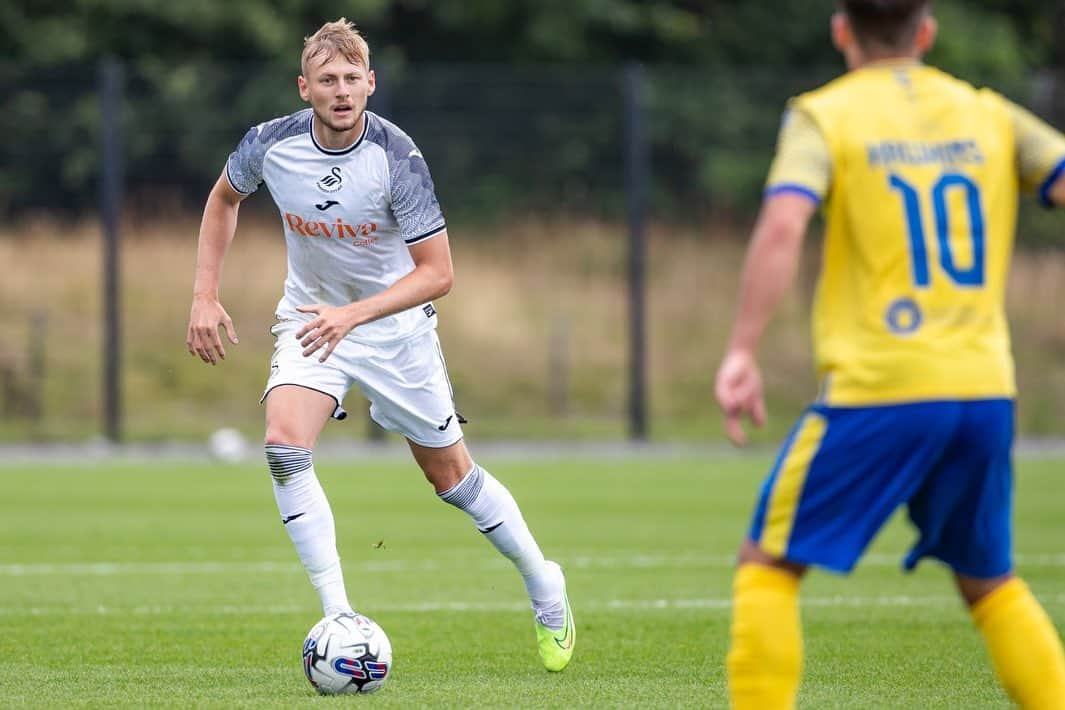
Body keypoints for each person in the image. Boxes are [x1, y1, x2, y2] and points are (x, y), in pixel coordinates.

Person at [185, 18, 574, 672]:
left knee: (450, 478)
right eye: (327, 80)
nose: (341, 91)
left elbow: (439, 274)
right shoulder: (269, 144)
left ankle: (543, 581)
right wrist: (203, 293)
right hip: (312, 320)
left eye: (351, 79)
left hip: (395, 331)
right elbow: (224, 197)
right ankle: (338, 613)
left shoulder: (397, 158)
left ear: (371, 83)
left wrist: (354, 314)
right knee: (283, 444)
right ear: (304, 87)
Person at [713, 1, 1065, 707]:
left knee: (767, 565)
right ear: (925, 32)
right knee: (987, 578)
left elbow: (785, 220)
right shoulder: (991, 114)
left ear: (841, 30)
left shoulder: (824, 114)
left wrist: (741, 349)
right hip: (984, 390)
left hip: (882, 386)